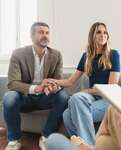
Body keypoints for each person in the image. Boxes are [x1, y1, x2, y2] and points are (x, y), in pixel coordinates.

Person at [46, 22, 120, 145]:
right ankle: (85, 145)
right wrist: (53, 81)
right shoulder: (86, 56)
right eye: (98, 32)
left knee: (67, 115)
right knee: (74, 101)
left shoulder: (113, 54)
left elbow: (111, 87)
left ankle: (87, 145)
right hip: (92, 97)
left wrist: (87, 91)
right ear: (92, 36)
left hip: (108, 99)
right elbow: (70, 81)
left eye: (105, 32)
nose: (103, 35)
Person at [3, 22, 70, 150]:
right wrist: (36, 88)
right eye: (41, 32)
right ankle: (14, 140)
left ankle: (46, 136)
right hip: (24, 98)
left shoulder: (56, 55)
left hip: (45, 97)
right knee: (9, 97)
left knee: (63, 96)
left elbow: (57, 80)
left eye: (47, 33)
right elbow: (12, 82)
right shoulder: (18, 53)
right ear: (32, 36)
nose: (45, 36)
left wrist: (52, 86)